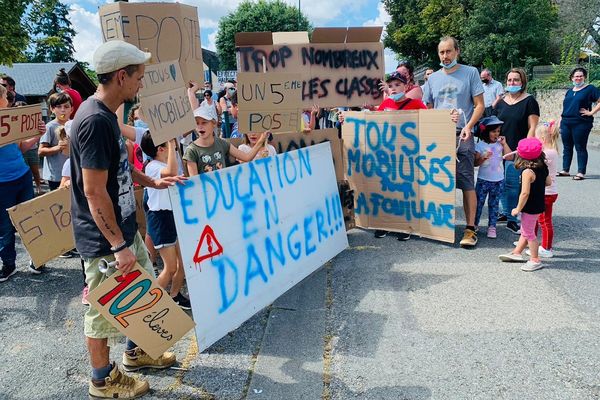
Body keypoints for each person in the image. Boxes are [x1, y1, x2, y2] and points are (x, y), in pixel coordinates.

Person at [69, 40, 185, 399]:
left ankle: (136, 354)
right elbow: (93, 191)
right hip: (105, 240)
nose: (141, 84)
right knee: (103, 313)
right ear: (121, 76)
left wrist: (151, 180)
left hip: (122, 228)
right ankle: (102, 379)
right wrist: (118, 245)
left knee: (141, 294)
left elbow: (118, 168)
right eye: (139, 77)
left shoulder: (106, 117)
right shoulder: (93, 121)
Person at [422, 36, 485, 247]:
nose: (445, 56)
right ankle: (439, 226)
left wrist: (468, 127)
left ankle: (470, 230)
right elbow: (427, 108)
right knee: (437, 178)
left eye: (449, 51)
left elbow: (479, 105)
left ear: (457, 51)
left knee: (466, 180)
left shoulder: (471, 73)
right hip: (439, 135)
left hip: (462, 134)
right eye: (441, 52)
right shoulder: (432, 79)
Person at [0, 84, 47, 282]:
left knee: (31, 219)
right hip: (2, 183)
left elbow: (20, 147)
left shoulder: (10, 119)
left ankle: (38, 259)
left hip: (22, 176)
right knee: (4, 227)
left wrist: (38, 134)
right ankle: (9, 264)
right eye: (5, 96)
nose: (9, 99)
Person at [140, 133, 191, 310]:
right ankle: (147, 305)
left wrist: (171, 141)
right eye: (168, 147)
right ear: (161, 149)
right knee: (170, 268)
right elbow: (170, 172)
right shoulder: (152, 166)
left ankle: (175, 296)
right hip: (160, 219)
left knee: (183, 264)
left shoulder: (164, 163)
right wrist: (170, 141)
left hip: (172, 215)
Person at [493, 68, 540, 234]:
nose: (512, 83)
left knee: (512, 185)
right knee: (501, 183)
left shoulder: (529, 101)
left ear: (522, 82)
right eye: (510, 80)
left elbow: (532, 128)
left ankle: (513, 219)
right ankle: (505, 212)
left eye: (516, 80)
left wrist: (524, 150)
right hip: (499, 149)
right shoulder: (501, 102)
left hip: (518, 150)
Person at [498, 138, 550, 272]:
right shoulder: (542, 166)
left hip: (529, 207)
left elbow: (525, 193)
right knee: (526, 230)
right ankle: (517, 252)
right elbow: (548, 182)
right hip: (538, 204)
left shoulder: (527, 171)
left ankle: (535, 260)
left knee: (529, 233)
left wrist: (518, 208)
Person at [183, 107, 268, 176]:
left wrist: (261, 140)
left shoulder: (222, 143)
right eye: (197, 123)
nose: (200, 127)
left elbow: (247, 157)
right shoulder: (191, 150)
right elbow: (195, 181)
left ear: (214, 124)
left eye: (204, 122)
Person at [557, 67, 600, 180]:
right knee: (567, 147)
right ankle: (565, 170)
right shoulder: (569, 91)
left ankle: (581, 172)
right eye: (576, 76)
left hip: (581, 123)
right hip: (566, 122)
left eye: (581, 76)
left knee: (580, 147)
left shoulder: (590, 89)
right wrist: (560, 121)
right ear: (572, 78)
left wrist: (591, 112)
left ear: (584, 77)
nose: (578, 78)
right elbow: (566, 107)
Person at [473, 116, 512, 239]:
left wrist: (505, 144)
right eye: (493, 131)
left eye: (498, 131)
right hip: (483, 180)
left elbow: (510, 157)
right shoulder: (480, 145)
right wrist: (483, 157)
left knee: (494, 204)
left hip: (498, 180)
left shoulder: (500, 144)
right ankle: (474, 224)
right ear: (486, 131)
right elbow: (475, 163)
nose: (496, 134)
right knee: (478, 203)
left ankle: (492, 226)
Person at [531, 121, 560, 258]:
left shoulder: (547, 153)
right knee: (536, 218)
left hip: (546, 193)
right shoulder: (551, 151)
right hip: (547, 192)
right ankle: (532, 241)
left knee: (544, 220)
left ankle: (547, 248)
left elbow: (536, 164)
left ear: (542, 139)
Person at [38, 92, 72, 190]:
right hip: (56, 175)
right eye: (59, 107)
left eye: (66, 107)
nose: (63, 110)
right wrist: (58, 147)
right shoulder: (49, 127)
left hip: (72, 172)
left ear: (71, 109)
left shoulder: (74, 124)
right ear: (52, 109)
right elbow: (41, 151)